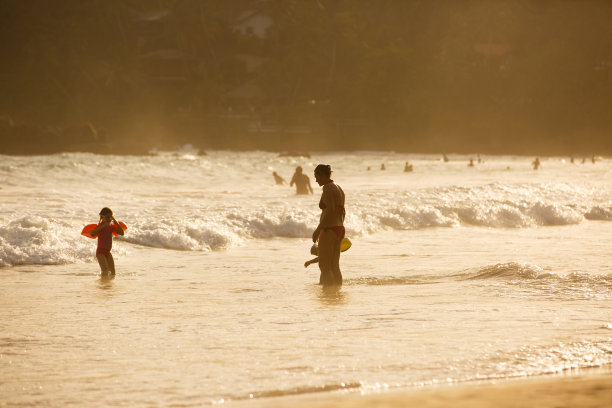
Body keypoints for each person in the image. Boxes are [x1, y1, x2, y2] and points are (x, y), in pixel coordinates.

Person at [312, 164, 345, 286]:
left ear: (322, 175)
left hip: (329, 229)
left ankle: (329, 295)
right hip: (339, 228)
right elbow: (342, 211)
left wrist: (318, 230)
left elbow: (330, 210)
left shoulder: (327, 188)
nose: (316, 180)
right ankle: (337, 292)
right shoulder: (338, 187)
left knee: (324, 267)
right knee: (334, 266)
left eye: (317, 177)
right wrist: (339, 228)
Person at [90, 207, 124, 278]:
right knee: (105, 270)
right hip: (100, 252)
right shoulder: (100, 226)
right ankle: (103, 284)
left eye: (111, 217)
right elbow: (92, 234)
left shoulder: (111, 226)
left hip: (108, 252)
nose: (109, 219)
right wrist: (103, 226)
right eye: (108, 217)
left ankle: (109, 285)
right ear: (102, 217)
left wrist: (115, 222)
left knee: (113, 271)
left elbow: (122, 233)